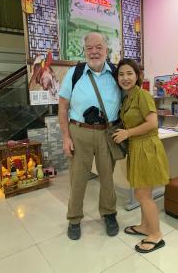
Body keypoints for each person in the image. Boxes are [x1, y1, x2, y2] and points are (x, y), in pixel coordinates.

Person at [58, 32, 121, 240]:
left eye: (99, 47)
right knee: (78, 179)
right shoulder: (74, 73)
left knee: (107, 178)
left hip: (107, 132)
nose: (94, 52)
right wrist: (66, 137)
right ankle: (74, 219)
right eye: (89, 48)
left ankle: (109, 213)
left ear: (106, 50)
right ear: (84, 51)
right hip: (79, 132)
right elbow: (62, 107)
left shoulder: (115, 73)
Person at [113, 59, 169, 253]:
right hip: (138, 148)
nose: (125, 78)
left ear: (137, 76)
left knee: (143, 195)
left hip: (146, 147)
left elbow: (152, 123)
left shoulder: (142, 95)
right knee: (141, 193)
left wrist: (127, 133)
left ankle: (156, 234)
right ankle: (146, 227)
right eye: (121, 74)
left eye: (129, 73)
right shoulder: (128, 97)